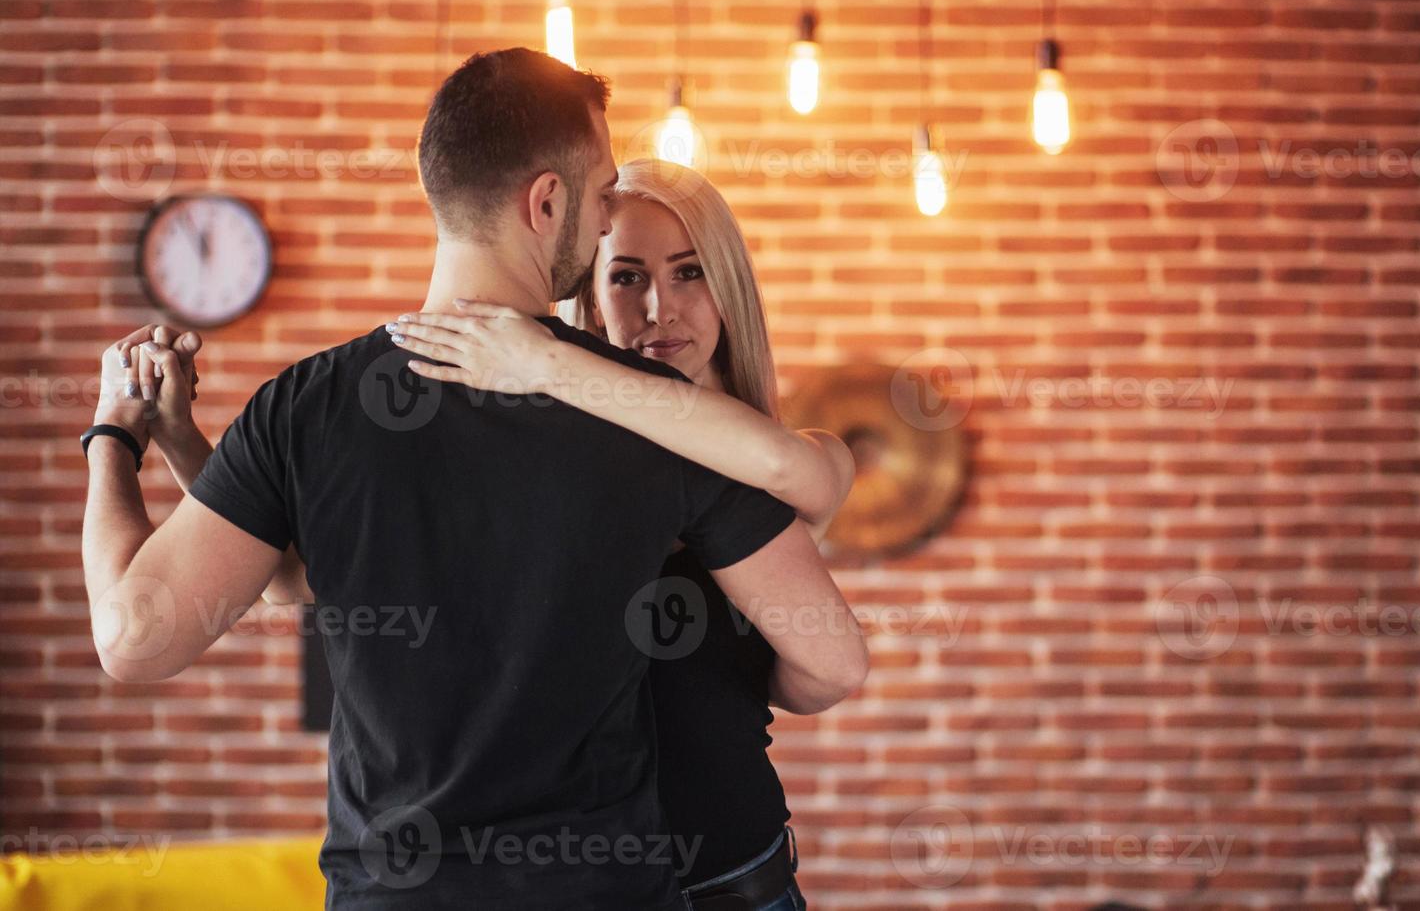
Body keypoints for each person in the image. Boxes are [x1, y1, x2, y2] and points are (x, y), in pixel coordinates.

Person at [81, 48, 868, 911]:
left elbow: (139, 638)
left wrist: (117, 437)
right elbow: (831, 655)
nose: (606, 219)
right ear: (546, 202)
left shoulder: (305, 408)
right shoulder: (652, 416)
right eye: (601, 194)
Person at [379, 158, 854, 909]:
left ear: (729, 287)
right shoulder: (553, 469)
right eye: (627, 276)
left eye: (690, 272)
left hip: (739, 884)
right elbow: (301, 577)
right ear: (593, 300)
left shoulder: (801, 455)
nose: (660, 307)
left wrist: (545, 361)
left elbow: (781, 472)